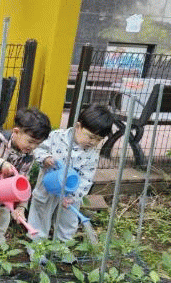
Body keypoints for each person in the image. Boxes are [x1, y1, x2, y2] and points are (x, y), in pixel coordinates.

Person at [27, 104, 114, 247]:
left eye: (98, 139)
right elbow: (38, 148)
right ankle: (37, 247)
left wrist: (73, 197)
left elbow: (86, 178)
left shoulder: (92, 154)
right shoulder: (56, 137)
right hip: (48, 186)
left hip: (70, 193)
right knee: (40, 215)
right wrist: (45, 158)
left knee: (68, 221)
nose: (93, 142)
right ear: (78, 126)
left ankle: (62, 247)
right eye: (91, 137)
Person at [0, 108, 51, 247]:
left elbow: (23, 182)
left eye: (37, 144)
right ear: (16, 131)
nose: (33, 146)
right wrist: (1, 164)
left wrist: (21, 207)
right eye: (30, 141)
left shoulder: (29, 156)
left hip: (6, 198)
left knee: (0, 227)